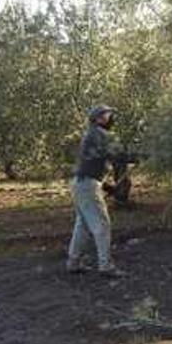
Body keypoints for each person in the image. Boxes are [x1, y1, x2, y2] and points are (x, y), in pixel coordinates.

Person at [67, 104, 133, 277]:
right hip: (87, 185)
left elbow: (94, 161)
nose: (111, 118)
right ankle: (106, 266)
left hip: (80, 183)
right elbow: (116, 154)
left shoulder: (91, 133)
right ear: (97, 118)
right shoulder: (100, 134)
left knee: (83, 225)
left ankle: (73, 262)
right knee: (102, 224)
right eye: (107, 115)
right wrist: (135, 157)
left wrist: (105, 186)